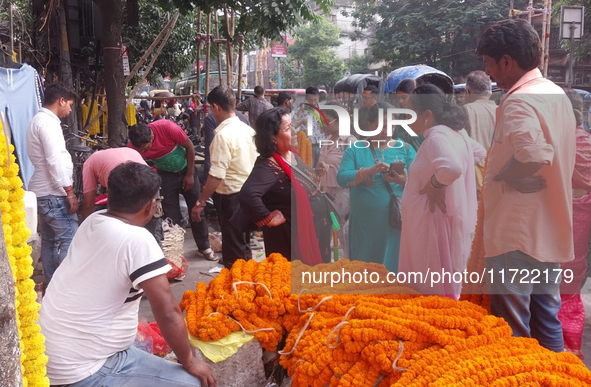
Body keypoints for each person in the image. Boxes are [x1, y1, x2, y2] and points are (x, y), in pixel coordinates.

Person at [39, 162, 216, 387]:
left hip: (53, 354)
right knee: (194, 382)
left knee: (141, 343)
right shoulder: (137, 239)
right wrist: (190, 361)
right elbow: (168, 313)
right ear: (150, 206)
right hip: (82, 369)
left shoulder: (92, 221)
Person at [478, 18, 576, 352]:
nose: (489, 73)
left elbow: (534, 154)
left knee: (513, 329)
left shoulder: (519, 101)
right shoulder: (554, 93)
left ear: (507, 61)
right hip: (547, 227)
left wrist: (506, 174)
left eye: (489, 65)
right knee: (547, 319)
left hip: (517, 235)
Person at [398, 85, 485, 297]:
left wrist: (435, 184)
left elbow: (452, 167)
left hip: (430, 223)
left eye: (409, 113)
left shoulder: (437, 137)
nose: (406, 118)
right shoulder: (454, 134)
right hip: (433, 220)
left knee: (429, 284)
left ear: (427, 115)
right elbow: (479, 152)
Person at [337, 102, 416, 272]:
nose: (386, 130)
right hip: (365, 224)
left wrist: (403, 180)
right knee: (365, 268)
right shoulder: (356, 149)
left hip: (395, 221)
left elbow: (419, 182)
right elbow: (342, 178)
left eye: (391, 126)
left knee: (393, 266)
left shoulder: (406, 149)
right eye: (381, 125)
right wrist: (367, 172)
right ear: (369, 125)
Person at [128, 120, 215, 261]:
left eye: (146, 148)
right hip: (165, 174)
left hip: (186, 169)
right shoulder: (133, 146)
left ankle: (204, 246)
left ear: (151, 137)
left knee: (197, 209)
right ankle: (176, 253)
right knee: (171, 215)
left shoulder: (167, 128)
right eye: (142, 151)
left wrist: (189, 174)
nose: (145, 152)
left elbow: (190, 147)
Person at [191, 85, 258, 269]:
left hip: (231, 198)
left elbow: (216, 175)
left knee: (234, 249)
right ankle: (247, 280)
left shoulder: (223, 136)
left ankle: (239, 287)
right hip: (248, 194)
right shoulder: (248, 130)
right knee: (242, 243)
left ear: (215, 107)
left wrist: (201, 202)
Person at [26, 82, 79, 286]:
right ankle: (64, 287)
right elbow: (54, 160)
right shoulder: (47, 123)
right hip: (53, 193)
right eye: (70, 105)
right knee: (70, 238)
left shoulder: (38, 121)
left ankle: (52, 285)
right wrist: (69, 191)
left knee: (50, 241)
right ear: (61, 101)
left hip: (44, 191)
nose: (70, 109)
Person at [557, 89, 591, 359]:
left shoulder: (562, 142)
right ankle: (572, 347)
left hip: (563, 214)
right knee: (572, 278)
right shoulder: (587, 141)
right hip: (583, 214)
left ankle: (556, 347)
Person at [236, 108, 293, 259]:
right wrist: (268, 218)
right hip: (286, 238)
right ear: (272, 137)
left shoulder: (290, 154)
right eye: (288, 128)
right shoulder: (268, 167)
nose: (293, 131)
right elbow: (248, 195)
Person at [316, 102, 356, 258]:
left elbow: (354, 170)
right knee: (330, 233)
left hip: (343, 193)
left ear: (339, 121)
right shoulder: (327, 140)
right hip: (326, 192)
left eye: (326, 121)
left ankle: (350, 266)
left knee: (344, 234)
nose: (322, 125)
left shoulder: (348, 140)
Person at [463, 70, 497, 195]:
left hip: (472, 182)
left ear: (468, 92)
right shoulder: (502, 111)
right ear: (490, 91)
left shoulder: (465, 111)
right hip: (496, 180)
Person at [293, 87, 323, 167]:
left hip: (322, 146)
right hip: (308, 146)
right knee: (309, 171)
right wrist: (301, 109)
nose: (313, 102)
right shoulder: (301, 110)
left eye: (315, 99)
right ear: (306, 98)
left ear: (318, 98)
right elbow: (293, 123)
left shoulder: (323, 110)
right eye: (311, 100)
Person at [395, 78, 423, 151]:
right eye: (398, 98)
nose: (400, 101)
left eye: (404, 97)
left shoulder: (424, 118)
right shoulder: (398, 119)